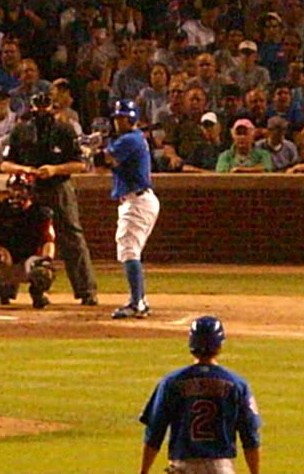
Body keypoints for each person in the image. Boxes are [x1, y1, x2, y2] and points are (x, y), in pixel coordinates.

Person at [1, 93, 98, 306]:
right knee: (19, 237)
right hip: (28, 189)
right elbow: (5, 164)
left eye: (46, 106)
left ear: (53, 107)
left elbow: (80, 164)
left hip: (58, 188)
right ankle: (8, 290)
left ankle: (86, 290)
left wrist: (54, 169)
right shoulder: (21, 130)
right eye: (38, 106)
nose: (42, 111)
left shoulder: (64, 130)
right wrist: (24, 169)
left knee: (72, 238)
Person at [139, 316, 262, 474]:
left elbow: (154, 433)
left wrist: (143, 471)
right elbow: (250, 437)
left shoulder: (171, 382)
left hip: (182, 466)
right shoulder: (237, 384)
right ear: (220, 345)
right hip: (220, 467)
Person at [105, 100, 160, 319]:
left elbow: (107, 159)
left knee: (129, 250)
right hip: (138, 200)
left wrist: (90, 148)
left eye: (122, 118)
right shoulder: (131, 139)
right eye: (117, 118)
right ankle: (140, 300)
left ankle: (136, 303)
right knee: (130, 249)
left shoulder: (130, 139)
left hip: (137, 200)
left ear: (132, 119)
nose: (118, 122)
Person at [0, 173, 56, 309]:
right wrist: (0, 250)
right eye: (14, 189)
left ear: (29, 191)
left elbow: (48, 241)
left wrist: (46, 260)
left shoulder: (39, 212)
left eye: (21, 189)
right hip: (5, 260)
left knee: (43, 269)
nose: (17, 193)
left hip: (28, 261)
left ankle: (37, 295)